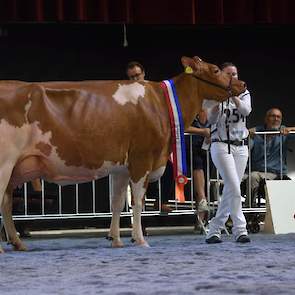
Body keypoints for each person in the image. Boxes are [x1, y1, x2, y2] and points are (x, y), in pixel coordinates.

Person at [205, 62, 252, 244]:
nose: (232, 77)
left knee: (231, 190)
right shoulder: (214, 94)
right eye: (228, 74)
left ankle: (214, 230)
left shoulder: (245, 93)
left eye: (235, 73)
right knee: (234, 186)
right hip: (221, 145)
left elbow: (246, 111)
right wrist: (218, 102)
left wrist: (234, 98)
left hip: (240, 146)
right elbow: (210, 119)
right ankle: (240, 230)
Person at [126, 61, 172, 213]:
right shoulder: (126, 96)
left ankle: (162, 201)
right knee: (137, 181)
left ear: (144, 74)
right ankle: (139, 221)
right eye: (131, 77)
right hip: (133, 147)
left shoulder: (156, 91)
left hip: (153, 143)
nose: (135, 79)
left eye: (137, 75)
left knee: (169, 168)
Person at [246, 108, 295, 207]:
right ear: (266, 119)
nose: (276, 119)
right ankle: (250, 212)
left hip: (276, 172)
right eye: (273, 116)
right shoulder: (256, 132)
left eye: (278, 117)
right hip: (258, 171)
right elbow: (243, 138)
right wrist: (248, 134)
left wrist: (291, 129)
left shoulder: (283, 131)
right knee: (251, 177)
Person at [185, 109, 211, 232]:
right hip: (190, 149)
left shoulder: (213, 113)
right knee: (197, 164)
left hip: (210, 151)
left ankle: (201, 220)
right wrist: (203, 132)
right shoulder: (191, 111)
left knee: (206, 180)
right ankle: (202, 199)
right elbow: (182, 127)